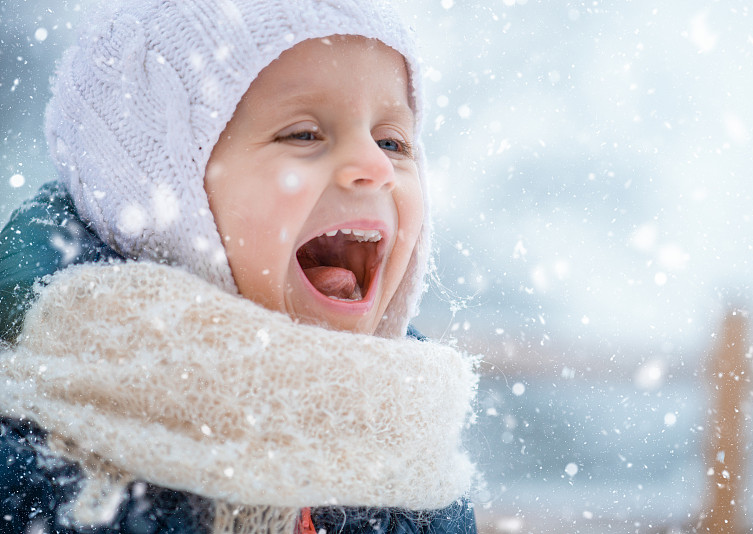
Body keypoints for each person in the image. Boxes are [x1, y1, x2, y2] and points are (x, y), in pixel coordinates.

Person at [0, 1, 479, 533]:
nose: (375, 166)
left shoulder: (409, 451)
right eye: (304, 134)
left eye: (392, 141)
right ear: (168, 198)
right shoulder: (37, 464)